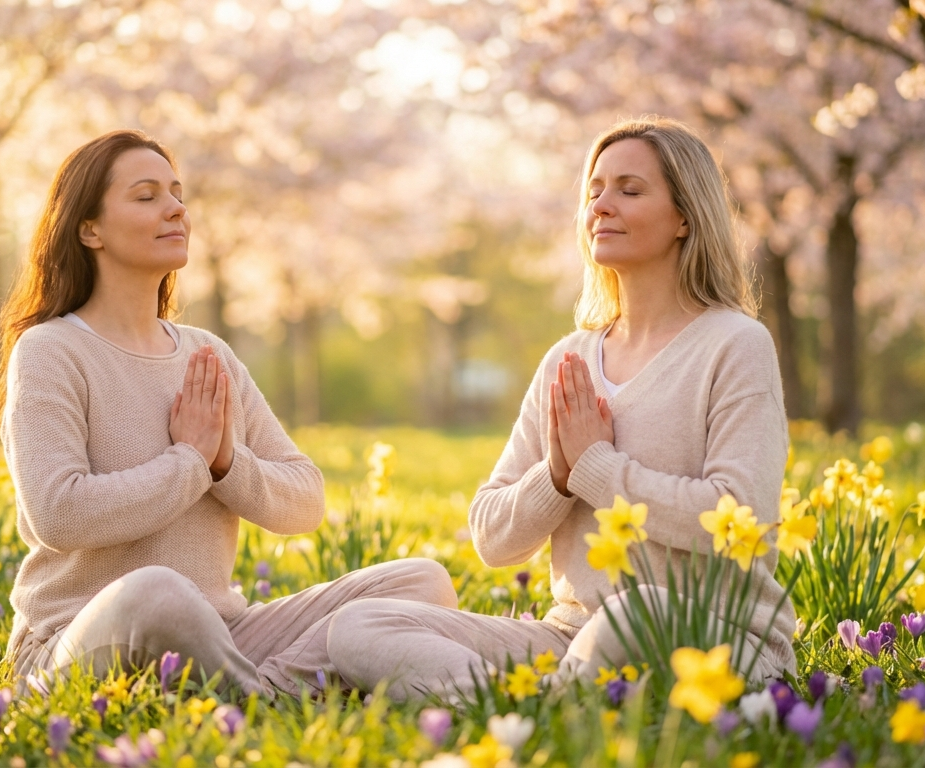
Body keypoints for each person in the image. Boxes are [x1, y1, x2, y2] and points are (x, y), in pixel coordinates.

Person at [327, 116, 798, 701]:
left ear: (685, 216)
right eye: (594, 191)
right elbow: (493, 538)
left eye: (629, 189)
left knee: (634, 610)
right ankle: (547, 699)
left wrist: (595, 468)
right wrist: (556, 474)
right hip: (567, 639)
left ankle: (537, 710)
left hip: (711, 637)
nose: (602, 205)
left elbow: (739, 516)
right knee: (360, 624)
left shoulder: (735, 344)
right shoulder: (568, 359)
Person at [0, 129, 457, 697]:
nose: (175, 209)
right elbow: (58, 515)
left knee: (420, 582)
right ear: (89, 228)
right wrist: (188, 460)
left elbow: (305, 499)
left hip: (221, 632)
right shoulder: (50, 351)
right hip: (79, 639)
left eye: (177, 194)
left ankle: (260, 687)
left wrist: (224, 463)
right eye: (147, 196)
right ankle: (267, 699)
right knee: (156, 592)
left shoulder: (207, 355)